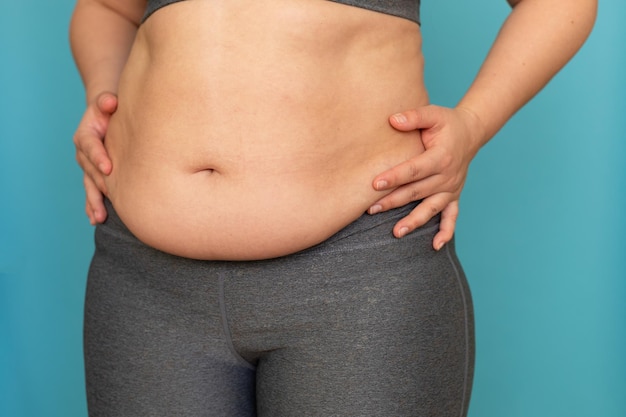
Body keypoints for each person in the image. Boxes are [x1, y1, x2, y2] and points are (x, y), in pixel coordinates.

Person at [69, 0, 596, 415]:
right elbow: (107, 7)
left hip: (360, 268)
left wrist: (473, 125)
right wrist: (102, 95)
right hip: (142, 280)